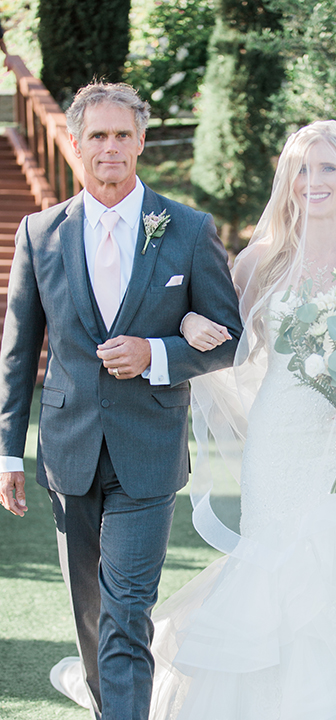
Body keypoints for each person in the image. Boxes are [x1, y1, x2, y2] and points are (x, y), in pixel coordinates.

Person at [61, 120, 336, 718]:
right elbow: (209, 323)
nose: (315, 181)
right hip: (279, 442)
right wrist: (182, 326)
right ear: (287, 182)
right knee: (279, 559)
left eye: (328, 168)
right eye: (302, 169)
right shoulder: (263, 259)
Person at [0, 81, 242, 720]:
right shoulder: (39, 233)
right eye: (98, 136)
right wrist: (9, 455)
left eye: (122, 135)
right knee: (91, 615)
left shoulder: (187, 230)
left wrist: (158, 355)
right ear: (77, 144)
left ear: (141, 141)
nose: (111, 147)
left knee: (127, 611)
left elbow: (230, 342)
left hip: (150, 451)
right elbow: (19, 353)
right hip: (68, 453)